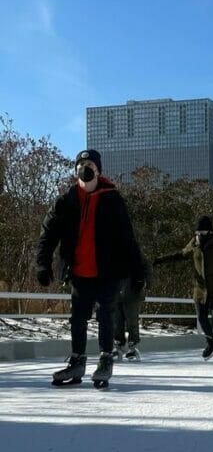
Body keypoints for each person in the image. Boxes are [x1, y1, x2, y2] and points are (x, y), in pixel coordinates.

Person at [36, 149, 145, 387]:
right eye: (81, 164)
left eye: (90, 165)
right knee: (78, 318)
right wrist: (42, 264)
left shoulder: (112, 199)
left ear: (98, 170)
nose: (84, 169)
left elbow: (128, 238)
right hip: (78, 271)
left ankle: (106, 359)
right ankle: (77, 361)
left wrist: (138, 272)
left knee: (106, 314)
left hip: (108, 271)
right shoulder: (66, 200)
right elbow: (48, 234)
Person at [153, 216, 213, 363]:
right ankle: (211, 343)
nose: (200, 235)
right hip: (199, 289)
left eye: (203, 232)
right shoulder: (195, 242)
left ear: (209, 231)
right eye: (198, 232)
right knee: (201, 318)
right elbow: (181, 254)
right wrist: (160, 259)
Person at [112, 253, 151, 361]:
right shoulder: (111, 250)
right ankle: (118, 345)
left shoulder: (134, 250)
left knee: (132, 320)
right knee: (117, 321)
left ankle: (132, 347)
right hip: (116, 292)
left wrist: (145, 282)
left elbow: (146, 266)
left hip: (132, 292)